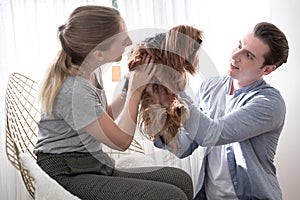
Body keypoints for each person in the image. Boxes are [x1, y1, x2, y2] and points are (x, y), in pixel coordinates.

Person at [33, 5, 193, 200]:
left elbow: (104, 118)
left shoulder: (90, 70)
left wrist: (128, 87)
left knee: (181, 179)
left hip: (93, 163)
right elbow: (121, 142)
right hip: (68, 172)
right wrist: (135, 91)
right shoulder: (74, 90)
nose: (129, 41)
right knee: (172, 195)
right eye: (122, 39)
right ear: (98, 54)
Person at [154, 22, 289, 200]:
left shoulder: (270, 104)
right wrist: (158, 123)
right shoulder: (210, 87)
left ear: (267, 69)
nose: (235, 55)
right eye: (239, 45)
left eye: (248, 55)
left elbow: (210, 134)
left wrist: (174, 85)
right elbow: (185, 146)